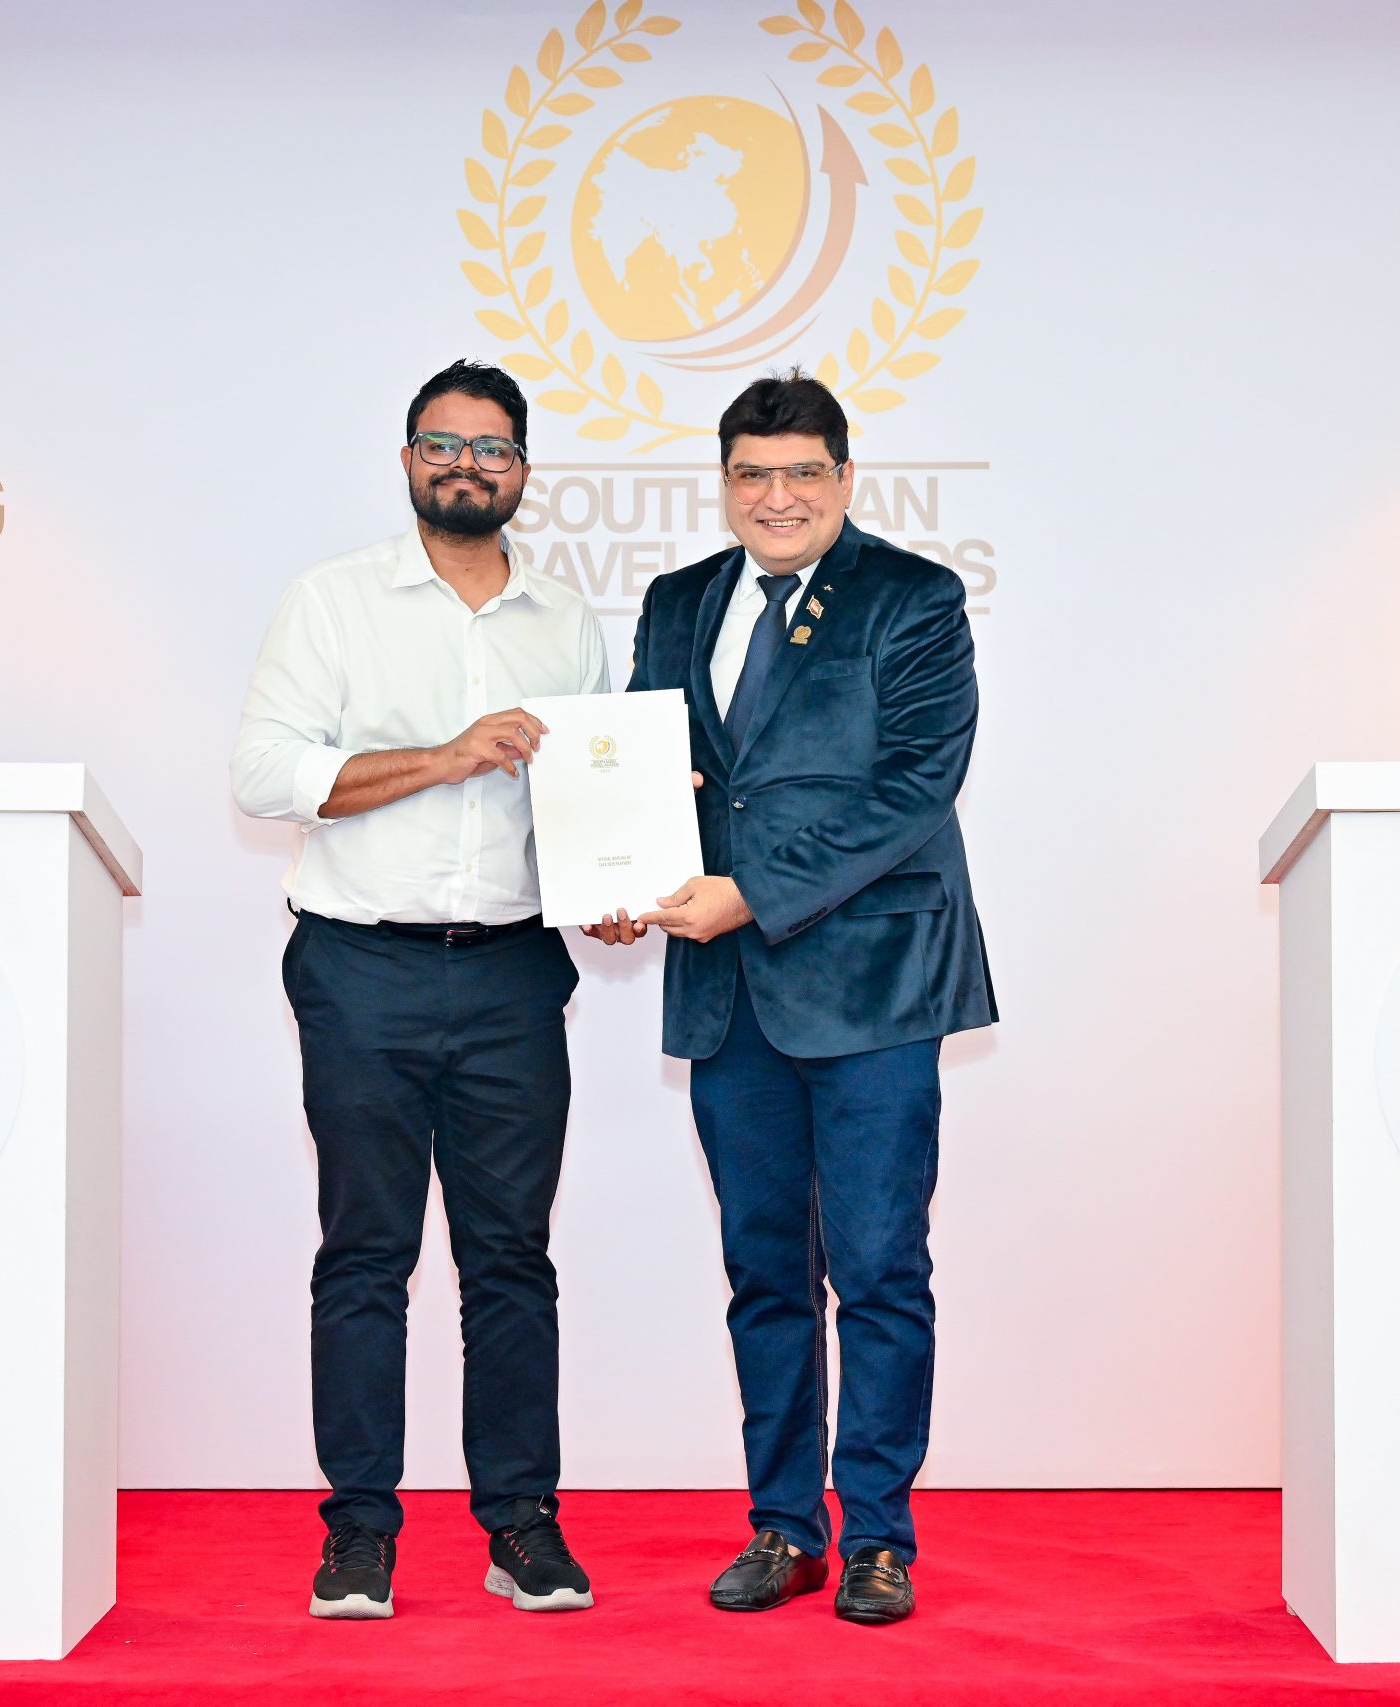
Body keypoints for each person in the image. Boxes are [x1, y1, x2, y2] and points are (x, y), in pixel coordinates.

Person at [584, 370, 995, 1624]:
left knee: (877, 1270)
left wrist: (749, 893)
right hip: (728, 998)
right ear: (723, 485)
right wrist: (615, 880)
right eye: (752, 475)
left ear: (844, 479)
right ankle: (783, 1528)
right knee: (763, 1274)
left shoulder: (913, 597)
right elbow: (645, 772)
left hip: (871, 986)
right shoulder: (676, 602)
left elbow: (915, 787)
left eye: (802, 472)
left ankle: (876, 1537)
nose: (777, 497)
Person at [233, 360, 606, 1620]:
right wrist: (447, 758)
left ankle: (522, 1528)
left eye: (492, 449)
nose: (466, 466)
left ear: (522, 472)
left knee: (512, 1263)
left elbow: (583, 803)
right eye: (443, 444)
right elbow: (265, 774)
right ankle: (358, 1534)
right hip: (361, 970)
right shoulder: (331, 601)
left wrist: (613, 883)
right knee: (366, 1257)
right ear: (406, 461)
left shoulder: (566, 622)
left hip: (513, 973)